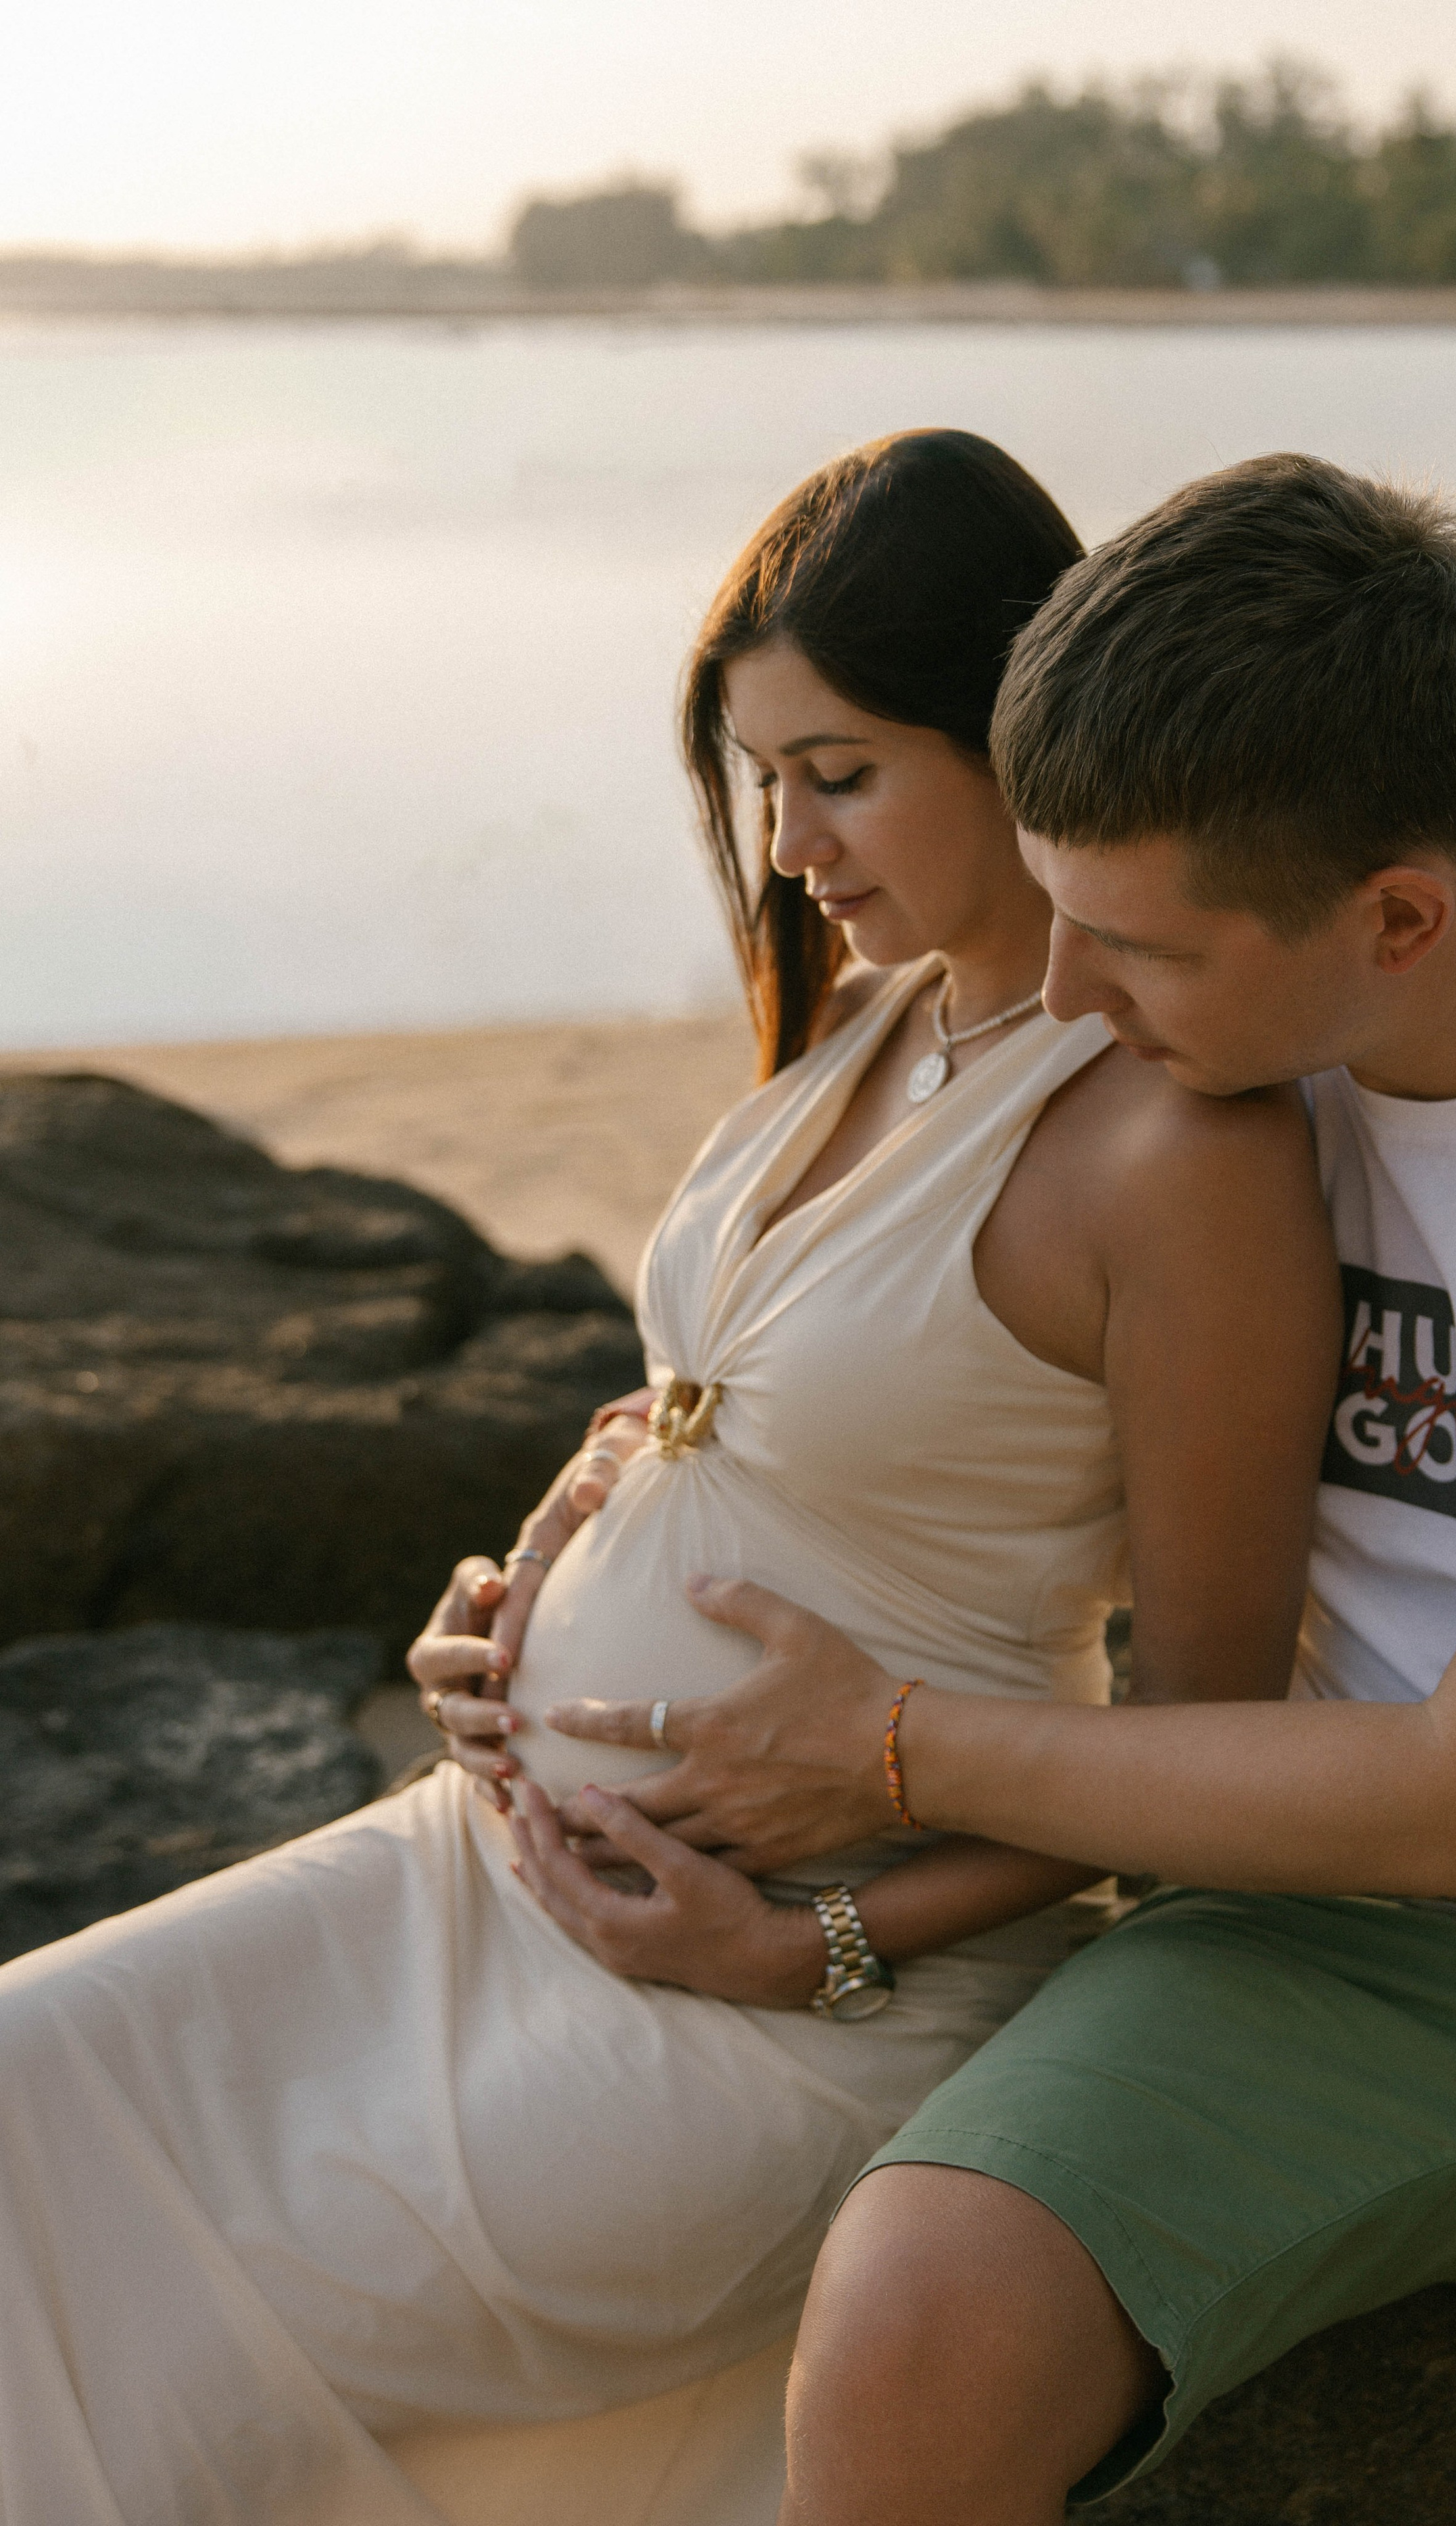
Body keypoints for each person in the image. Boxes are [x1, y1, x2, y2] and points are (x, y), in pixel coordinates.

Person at [0, 432, 1338, 2526]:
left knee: (205, 2353)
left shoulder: (1187, 1156)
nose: (789, 838)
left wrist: (822, 1952)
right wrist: (526, 1573)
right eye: (759, 775)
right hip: (481, 1856)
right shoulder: (882, 1022)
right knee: (22, 2091)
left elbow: (1206, 1750)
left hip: (785, 1988)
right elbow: (733, 1406)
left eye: (843, 769)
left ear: (1022, 728)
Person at [541, 453, 1456, 2526]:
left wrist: (889, 1754)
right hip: (1331, 1950)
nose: (1066, 1002)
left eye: (1132, 948)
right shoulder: (1231, 1061)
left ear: (1400, 915)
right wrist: (598, 1517)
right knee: (909, 2324)